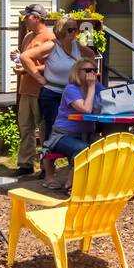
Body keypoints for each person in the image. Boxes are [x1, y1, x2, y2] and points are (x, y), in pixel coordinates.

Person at [40, 59, 102, 189]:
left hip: (87, 134)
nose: (92, 74)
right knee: (83, 149)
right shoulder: (71, 89)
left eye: (94, 70)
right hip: (63, 135)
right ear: (77, 72)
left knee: (106, 146)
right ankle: (71, 182)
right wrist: (91, 87)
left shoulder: (97, 87)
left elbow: (110, 98)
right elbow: (86, 109)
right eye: (88, 70)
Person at [10, 4, 55, 177]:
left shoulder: (50, 37)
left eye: (26, 16)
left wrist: (29, 70)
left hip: (40, 89)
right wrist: (17, 59)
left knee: (43, 129)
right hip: (25, 88)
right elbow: (26, 59)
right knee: (25, 128)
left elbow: (52, 64)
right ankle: (26, 164)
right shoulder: (28, 36)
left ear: (36, 17)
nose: (24, 19)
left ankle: (46, 167)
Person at [37, 17, 96, 137]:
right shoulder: (51, 45)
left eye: (76, 30)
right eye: (70, 30)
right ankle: (49, 151)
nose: (74, 32)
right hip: (53, 93)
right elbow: (25, 57)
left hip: (73, 92)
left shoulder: (77, 45)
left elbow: (91, 54)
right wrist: (39, 78)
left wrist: (86, 73)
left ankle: (69, 150)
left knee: (71, 125)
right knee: (53, 125)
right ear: (61, 30)